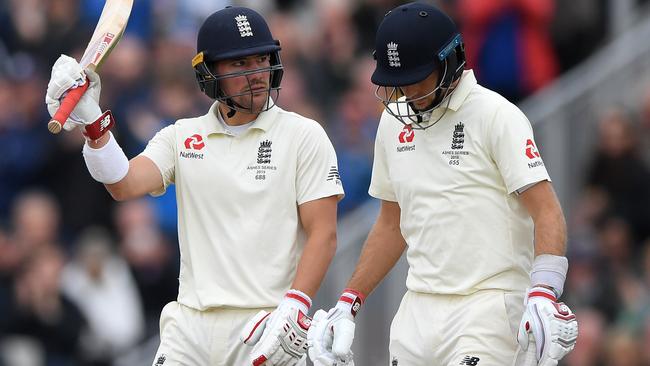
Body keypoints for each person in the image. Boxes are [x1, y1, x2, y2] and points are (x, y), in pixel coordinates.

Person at [45, 6, 344, 366]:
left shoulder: (304, 136)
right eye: (240, 64)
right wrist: (93, 123)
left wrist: (296, 305)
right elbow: (123, 183)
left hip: (266, 323)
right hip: (189, 327)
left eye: (262, 59)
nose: (258, 74)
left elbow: (323, 233)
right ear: (209, 73)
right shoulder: (182, 137)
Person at [307, 3, 578, 366]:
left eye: (415, 78)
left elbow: (547, 211)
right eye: (396, 81)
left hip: (489, 306)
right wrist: (348, 301)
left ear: (449, 63)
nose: (403, 93)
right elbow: (391, 223)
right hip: (417, 308)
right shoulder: (393, 123)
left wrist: (544, 291)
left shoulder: (496, 116)